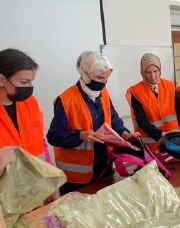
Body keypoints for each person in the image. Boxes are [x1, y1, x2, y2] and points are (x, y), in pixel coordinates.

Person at [47, 51, 134, 194]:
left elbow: (113, 118)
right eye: (99, 78)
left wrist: (124, 133)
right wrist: (80, 136)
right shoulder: (66, 100)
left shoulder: (103, 92)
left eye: (106, 78)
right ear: (85, 75)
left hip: (104, 168)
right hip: (76, 180)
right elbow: (53, 136)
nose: (104, 82)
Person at [127, 53, 180, 153]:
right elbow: (141, 120)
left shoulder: (169, 85)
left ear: (160, 70)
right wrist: (159, 134)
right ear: (143, 73)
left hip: (173, 139)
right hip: (151, 143)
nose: (153, 76)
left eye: (155, 71)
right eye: (148, 72)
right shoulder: (136, 91)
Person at [0, 49, 47, 158]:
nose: (29, 87)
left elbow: (40, 142)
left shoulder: (31, 103)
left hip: (34, 173)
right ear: (2, 80)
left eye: (31, 81)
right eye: (24, 82)